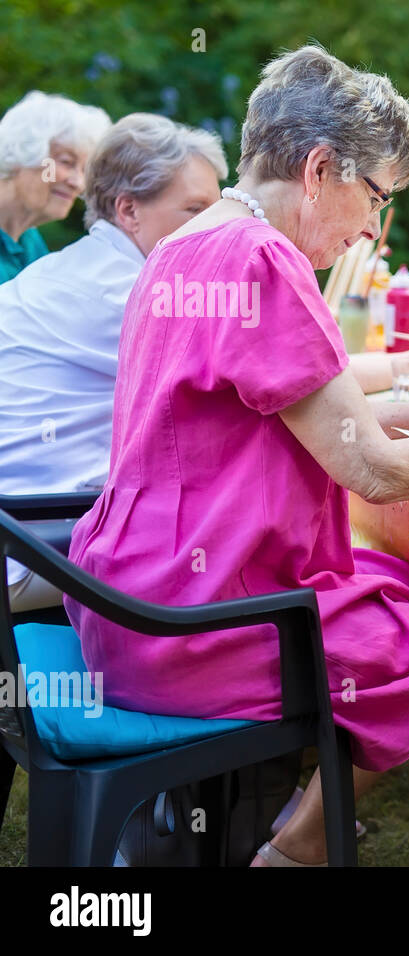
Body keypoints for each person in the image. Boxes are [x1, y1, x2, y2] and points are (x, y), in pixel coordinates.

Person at [63, 45, 409, 867]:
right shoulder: (265, 259)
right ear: (318, 169)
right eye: (376, 197)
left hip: (133, 591)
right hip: (206, 619)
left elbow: (319, 411)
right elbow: (371, 468)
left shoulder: (189, 244)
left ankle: (296, 851)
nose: (373, 229)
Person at [0, 113, 225, 613]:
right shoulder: (133, 293)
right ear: (128, 210)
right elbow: (284, 383)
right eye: (195, 210)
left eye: (219, 210)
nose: (216, 229)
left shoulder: (73, 267)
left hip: (23, 522)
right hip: (33, 543)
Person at [0, 91, 110, 282]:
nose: (78, 183)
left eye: (84, 170)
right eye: (67, 162)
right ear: (22, 152)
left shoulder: (30, 241)